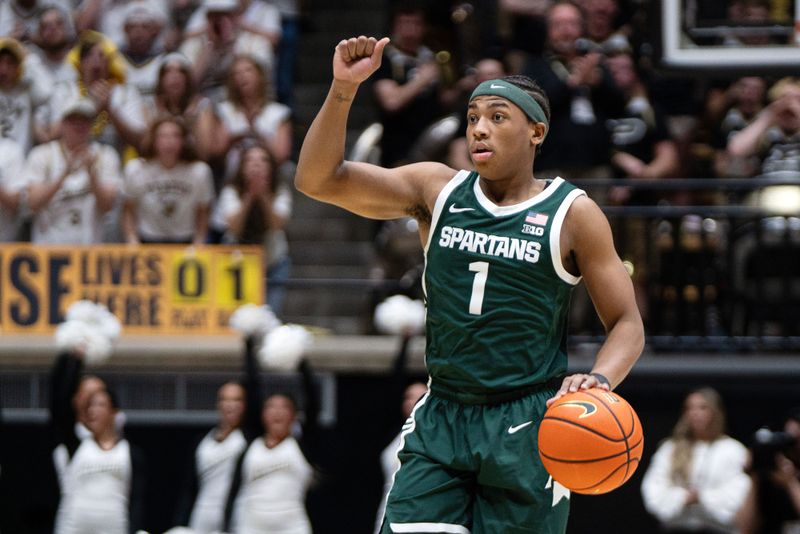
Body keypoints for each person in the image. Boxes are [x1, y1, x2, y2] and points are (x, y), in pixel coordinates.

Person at [295, 35, 643, 533]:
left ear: (536, 131)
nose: (480, 128)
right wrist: (342, 89)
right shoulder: (436, 189)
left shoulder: (573, 214)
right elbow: (318, 179)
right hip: (443, 414)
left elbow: (628, 323)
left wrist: (601, 379)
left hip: (527, 423)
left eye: (498, 117)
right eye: (473, 117)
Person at [222, 336, 318, 533]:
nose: (277, 412)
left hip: (292, 527)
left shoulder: (300, 444)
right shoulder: (251, 443)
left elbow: (314, 403)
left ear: (293, 416)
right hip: (251, 526)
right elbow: (252, 388)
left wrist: (301, 362)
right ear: (263, 414)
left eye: (284, 408)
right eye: (271, 407)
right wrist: (250, 346)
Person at [172, 335, 263, 533]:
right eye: (225, 399)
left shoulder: (247, 439)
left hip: (233, 520)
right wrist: (180, 524)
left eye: (237, 400)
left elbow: (255, 390)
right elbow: (190, 489)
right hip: (201, 517)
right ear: (218, 404)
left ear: (245, 405)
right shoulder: (202, 442)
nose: (230, 405)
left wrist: (249, 348)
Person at [640, 387, 751, 534]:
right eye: (690, 408)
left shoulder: (732, 449)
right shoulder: (670, 448)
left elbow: (738, 496)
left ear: (715, 412)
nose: (695, 413)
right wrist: (683, 497)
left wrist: (702, 497)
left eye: (702, 408)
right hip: (677, 529)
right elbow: (653, 491)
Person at [25, 96, 122, 244]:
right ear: (62, 123)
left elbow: (108, 205)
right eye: (73, 120)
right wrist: (64, 174)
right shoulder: (42, 154)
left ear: (91, 125)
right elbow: (33, 203)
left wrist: (92, 173)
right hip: (48, 252)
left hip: (90, 251)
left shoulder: (106, 155)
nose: (79, 126)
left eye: (84, 121)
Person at [210, 143, 292, 316]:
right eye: (250, 161)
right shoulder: (230, 190)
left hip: (273, 261)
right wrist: (249, 197)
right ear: (242, 166)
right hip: (237, 263)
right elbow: (234, 228)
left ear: (271, 167)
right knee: (236, 317)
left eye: (263, 161)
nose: (257, 165)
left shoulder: (281, 191)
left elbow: (277, 225)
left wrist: (263, 196)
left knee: (270, 315)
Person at [53, 388, 146, 534]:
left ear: (114, 412)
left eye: (100, 405)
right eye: (90, 406)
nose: (93, 410)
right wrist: (76, 364)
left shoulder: (129, 452)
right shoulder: (77, 445)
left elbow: (137, 500)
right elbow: (59, 405)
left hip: (115, 527)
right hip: (74, 527)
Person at [121, 116, 214, 244]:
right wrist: (132, 240)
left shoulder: (199, 171)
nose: (169, 142)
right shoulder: (135, 169)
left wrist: (198, 242)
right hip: (147, 239)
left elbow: (203, 211)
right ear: (153, 140)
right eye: (163, 136)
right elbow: (128, 210)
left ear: (184, 141)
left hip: (185, 239)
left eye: (175, 136)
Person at [739, 408, 800, 534]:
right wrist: (754, 476)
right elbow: (745, 528)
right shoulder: (771, 471)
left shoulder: (788, 477)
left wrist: (790, 483)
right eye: (788, 437)